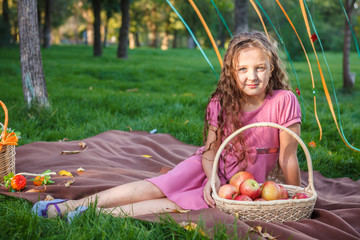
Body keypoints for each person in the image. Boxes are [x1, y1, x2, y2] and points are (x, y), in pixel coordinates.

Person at [33, 31, 301, 219]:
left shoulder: (283, 101)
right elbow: (210, 152)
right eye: (243, 69)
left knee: (172, 204)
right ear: (232, 72)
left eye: (260, 68)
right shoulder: (222, 102)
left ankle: (87, 215)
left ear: (271, 68)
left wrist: (296, 197)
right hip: (211, 169)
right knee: (157, 186)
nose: (252, 76)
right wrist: (212, 180)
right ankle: (71, 206)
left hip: (243, 185)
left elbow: (289, 158)